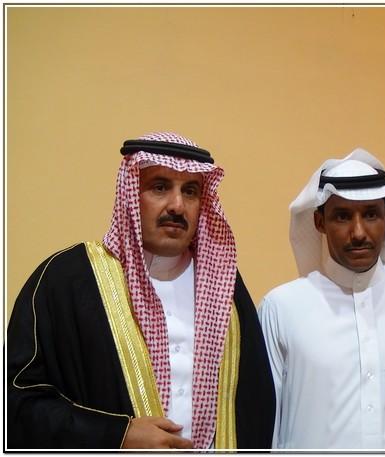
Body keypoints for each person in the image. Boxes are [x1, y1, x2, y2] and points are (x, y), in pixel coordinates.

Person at [7, 132, 275, 449]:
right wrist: (117, 435)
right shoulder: (67, 280)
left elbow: (256, 406)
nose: (177, 205)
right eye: (160, 187)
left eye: (190, 191)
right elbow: (17, 401)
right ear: (131, 194)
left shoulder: (225, 287)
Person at [258, 148, 385, 449]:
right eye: (342, 216)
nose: (358, 232)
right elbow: (265, 432)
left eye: (370, 214)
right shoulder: (281, 309)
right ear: (319, 222)